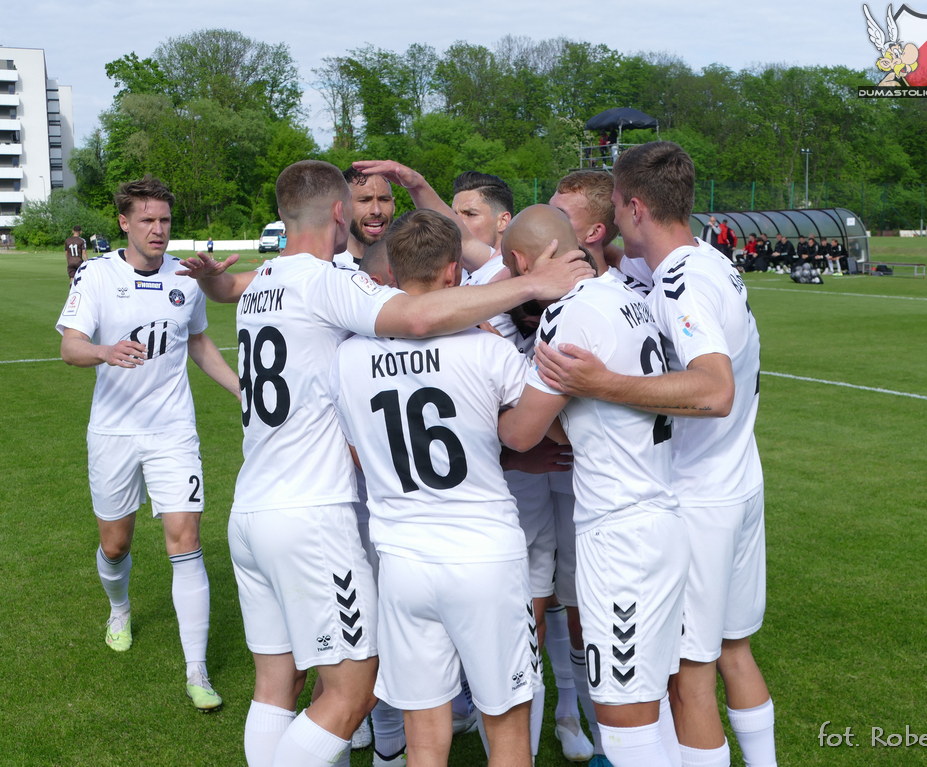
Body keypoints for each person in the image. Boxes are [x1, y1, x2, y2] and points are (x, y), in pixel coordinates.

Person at [177, 160, 592, 767]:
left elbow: (229, 290)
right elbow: (422, 319)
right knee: (354, 693)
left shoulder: (271, 282)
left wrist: (215, 281)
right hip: (324, 517)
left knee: (280, 686)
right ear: (341, 213)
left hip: (259, 509)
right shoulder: (331, 284)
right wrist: (533, 285)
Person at [535, 141, 777, 767]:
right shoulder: (706, 260)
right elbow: (620, 266)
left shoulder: (682, 284)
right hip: (739, 481)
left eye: (615, 206)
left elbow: (714, 388)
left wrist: (600, 385)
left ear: (635, 206)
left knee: (687, 680)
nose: (612, 218)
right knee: (732, 651)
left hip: (696, 496)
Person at [331, 209, 542, 767]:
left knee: (425, 741)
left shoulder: (347, 358)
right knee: (508, 733)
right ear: (455, 273)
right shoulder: (488, 350)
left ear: (393, 275)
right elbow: (531, 437)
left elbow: (357, 451)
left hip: (403, 562)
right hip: (484, 557)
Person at [498, 204, 689, 767]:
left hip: (619, 534)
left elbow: (522, 433)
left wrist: (482, 388)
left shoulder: (565, 316)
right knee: (654, 704)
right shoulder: (627, 293)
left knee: (624, 720)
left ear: (519, 263)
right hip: (663, 514)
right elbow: (586, 414)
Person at [56, 174, 240, 712]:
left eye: (164, 220)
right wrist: (104, 352)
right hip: (113, 432)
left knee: (184, 539)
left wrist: (238, 388)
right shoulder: (95, 275)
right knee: (115, 545)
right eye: (147, 220)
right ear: (124, 222)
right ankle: (119, 608)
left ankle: (197, 671)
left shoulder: (184, 278)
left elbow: (197, 341)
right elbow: (70, 347)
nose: (158, 229)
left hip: (173, 430)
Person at [334, 168, 396, 269]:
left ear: (393, 206)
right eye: (365, 200)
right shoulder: (325, 267)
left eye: (384, 200)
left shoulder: (407, 262)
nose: (376, 210)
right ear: (342, 208)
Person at [451, 171, 513, 256]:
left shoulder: (516, 267)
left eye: (470, 214)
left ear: (503, 221)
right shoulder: (446, 265)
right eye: (454, 215)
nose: (456, 223)